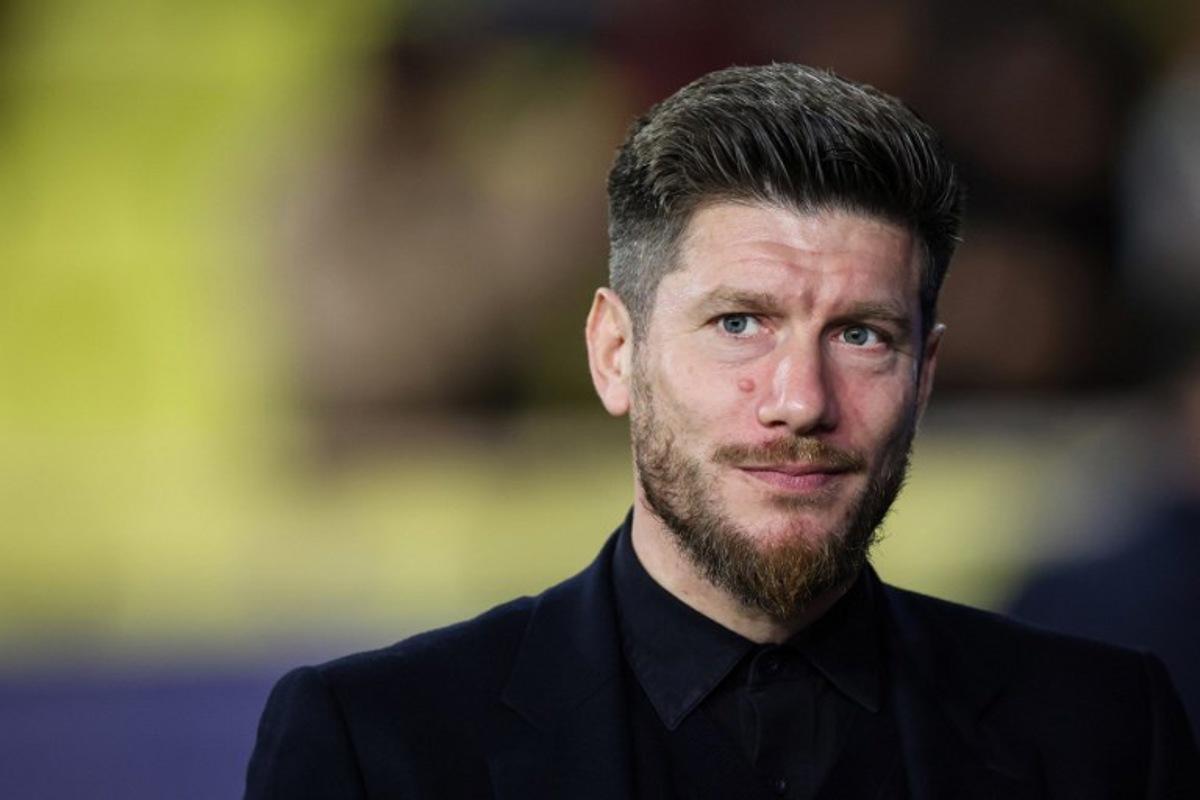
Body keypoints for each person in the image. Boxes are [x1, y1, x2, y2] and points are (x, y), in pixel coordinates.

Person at [244, 64, 1199, 799]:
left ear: (927, 375)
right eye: (740, 323)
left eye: (861, 335)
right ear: (616, 353)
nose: (799, 400)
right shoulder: (378, 747)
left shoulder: (1107, 733)